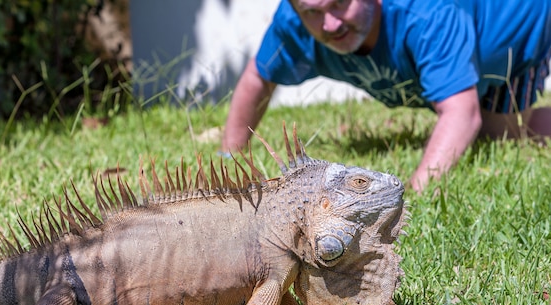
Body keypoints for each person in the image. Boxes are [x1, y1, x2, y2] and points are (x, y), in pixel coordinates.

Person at [220, 0, 551, 192]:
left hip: (520, 29)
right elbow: (257, 79)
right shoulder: (294, 23)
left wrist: (414, 195)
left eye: (340, 3)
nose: (330, 23)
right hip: (465, 42)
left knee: (504, 132)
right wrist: (229, 159)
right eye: (312, 12)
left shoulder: (425, 13)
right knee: (497, 132)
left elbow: (461, 113)